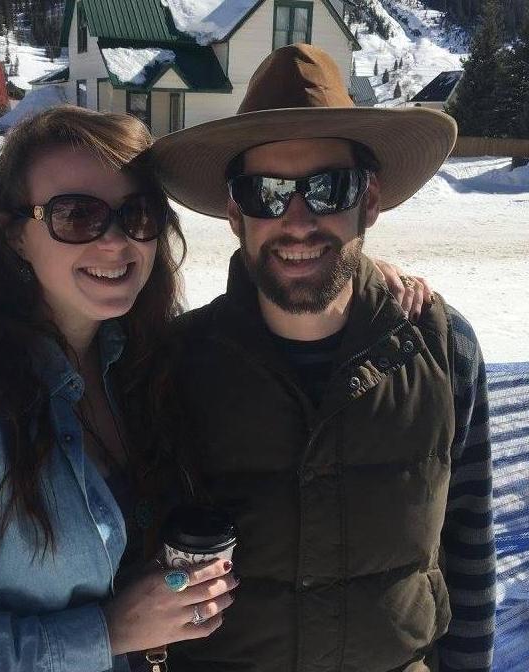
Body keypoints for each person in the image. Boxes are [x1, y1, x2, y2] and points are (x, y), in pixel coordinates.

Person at [146, 45, 496, 672]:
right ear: (234, 213)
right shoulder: (171, 365)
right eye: (268, 192)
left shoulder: (445, 350)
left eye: (327, 188)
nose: (298, 219)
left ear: (371, 200)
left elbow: (467, 550)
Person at [0, 107, 239, 672]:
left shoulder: (137, 360)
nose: (115, 242)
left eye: (137, 214)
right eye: (77, 216)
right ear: (16, 233)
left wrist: (356, 273)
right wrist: (107, 632)